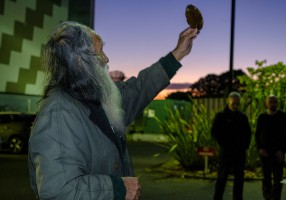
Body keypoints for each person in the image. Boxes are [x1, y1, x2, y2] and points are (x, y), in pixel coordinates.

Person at [27, 21, 198, 200]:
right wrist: (117, 188)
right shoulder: (59, 114)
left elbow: (138, 89)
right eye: (100, 52)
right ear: (79, 61)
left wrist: (178, 54)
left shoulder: (97, 96)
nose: (107, 59)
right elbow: (59, 190)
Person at [211, 92, 252, 200]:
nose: (235, 106)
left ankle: (238, 198)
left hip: (239, 153)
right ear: (228, 101)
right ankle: (217, 197)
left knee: (239, 178)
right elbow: (215, 132)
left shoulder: (242, 117)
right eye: (233, 103)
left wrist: (244, 147)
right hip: (226, 152)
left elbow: (248, 134)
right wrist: (223, 144)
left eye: (237, 104)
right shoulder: (221, 116)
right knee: (222, 177)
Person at [255, 95, 286, 200]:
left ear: (277, 103)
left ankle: (275, 198)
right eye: (270, 102)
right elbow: (257, 135)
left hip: (278, 153)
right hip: (265, 153)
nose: (272, 104)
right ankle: (267, 197)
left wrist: (282, 151)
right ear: (266, 103)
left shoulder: (283, 116)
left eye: (274, 101)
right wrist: (260, 149)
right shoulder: (262, 117)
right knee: (266, 179)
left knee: (278, 179)